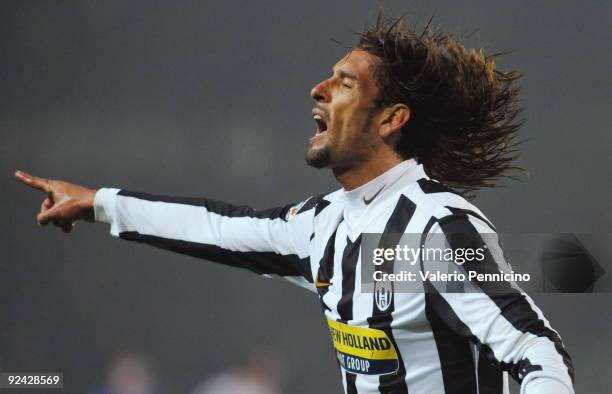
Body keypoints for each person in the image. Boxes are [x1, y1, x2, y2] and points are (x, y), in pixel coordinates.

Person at [15, 14, 574, 394]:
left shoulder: (436, 232)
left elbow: (536, 351)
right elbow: (217, 227)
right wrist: (98, 203)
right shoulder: (324, 226)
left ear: (390, 118)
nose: (318, 89)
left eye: (345, 83)